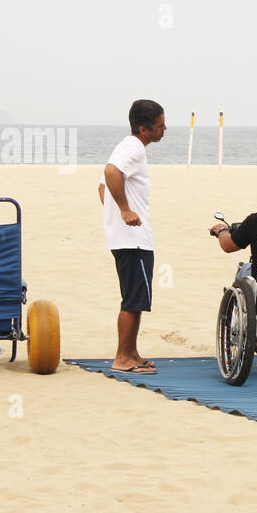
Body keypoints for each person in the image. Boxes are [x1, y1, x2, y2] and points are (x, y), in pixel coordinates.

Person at [99, 99, 165, 374]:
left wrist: (114, 214)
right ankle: (122, 357)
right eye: (160, 126)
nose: (164, 130)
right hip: (132, 239)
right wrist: (124, 211)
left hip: (127, 236)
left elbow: (102, 188)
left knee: (136, 298)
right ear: (143, 128)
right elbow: (110, 173)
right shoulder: (133, 147)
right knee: (134, 299)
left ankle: (132, 353)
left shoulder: (129, 147)